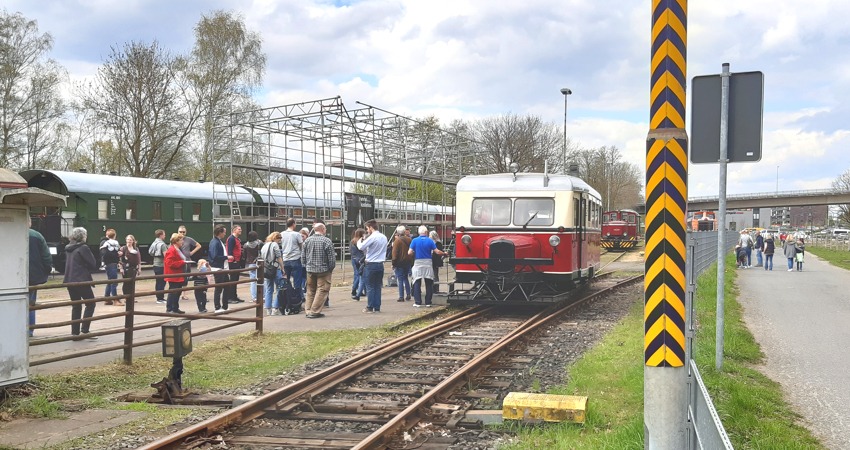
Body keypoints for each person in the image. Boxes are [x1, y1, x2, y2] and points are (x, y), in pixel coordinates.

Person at [64, 227, 98, 339]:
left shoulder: (69, 248)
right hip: (81, 279)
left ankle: (75, 332)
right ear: (83, 236)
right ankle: (85, 329)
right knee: (91, 303)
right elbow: (93, 263)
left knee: (76, 305)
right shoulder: (83, 248)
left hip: (69, 279)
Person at [301, 222, 335, 318]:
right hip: (323, 270)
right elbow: (331, 259)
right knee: (322, 290)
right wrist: (330, 269)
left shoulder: (307, 241)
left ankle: (308, 310)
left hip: (310, 269)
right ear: (323, 229)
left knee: (310, 290)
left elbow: (303, 256)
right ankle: (315, 311)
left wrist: (305, 266)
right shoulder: (327, 241)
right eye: (325, 229)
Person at [409, 225, 448, 307]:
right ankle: (428, 302)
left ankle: (418, 302)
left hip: (418, 263)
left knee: (417, 282)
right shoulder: (430, 241)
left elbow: (409, 252)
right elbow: (437, 252)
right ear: (426, 232)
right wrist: (444, 253)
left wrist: (414, 252)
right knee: (429, 282)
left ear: (419, 232)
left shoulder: (414, 240)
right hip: (428, 263)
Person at [28, 218, 52, 337]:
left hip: (12, 276)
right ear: (30, 223)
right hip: (33, 275)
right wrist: (47, 270)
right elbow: (46, 256)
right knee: (31, 304)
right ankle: (30, 330)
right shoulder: (37, 235)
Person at [357, 219, 388, 313]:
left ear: (371, 227)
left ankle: (370, 307)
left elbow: (361, 247)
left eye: (367, 228)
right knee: (378, 286)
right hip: (380, 264)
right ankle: (377, 307)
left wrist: (360, 240)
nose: (367, 230)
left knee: (370, 286)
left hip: (371, 264)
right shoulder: (384, 237)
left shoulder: (372, 237)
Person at [208, 225, 232, 313]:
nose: (225, 234)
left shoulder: (217, 241)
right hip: (218, 268)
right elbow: (215, 256)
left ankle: (225, 306)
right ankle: (217, 307)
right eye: (224, 232)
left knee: (226, 286)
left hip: (222, 268)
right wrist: (226, 257)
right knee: (219, 288)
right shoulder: (215, 242)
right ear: (220, 232)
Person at [260, 232, 285, 316]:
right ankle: (275, 307)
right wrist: (282, 268)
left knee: (269, 288)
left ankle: (268, 308)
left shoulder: (265, 245)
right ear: (275, 238)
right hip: (275, 268)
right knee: (279, 288)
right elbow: (279, 257)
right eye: (279, 238)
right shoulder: (275, 245)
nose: (280, 240)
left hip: (267, 269)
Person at [281, 219, 305, 302]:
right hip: (295, 259)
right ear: (293, 224)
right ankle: (298, 300)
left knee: (286, 281)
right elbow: (302, 247)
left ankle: (287, 298)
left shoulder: (282, 234)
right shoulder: (297, 234)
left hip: (285, 259)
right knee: (297, 281)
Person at [163, 232, 186, 314]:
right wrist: (182, 262)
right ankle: (169, 309)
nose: (182, 242)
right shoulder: (171, 250)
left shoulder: (177, 249)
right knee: (173, 292)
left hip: (178, 274)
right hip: (173, 274)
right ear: (176, 241)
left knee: (177, 292)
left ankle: (175, 308)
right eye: (181, 240)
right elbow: (170, 263)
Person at [178, 225, 201, 301]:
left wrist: (191, 253)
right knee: (178, 278)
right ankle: (177, 293)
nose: (182, 233)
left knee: (186, 278)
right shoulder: (175, 239)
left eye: (183, 232)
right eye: (180, 232)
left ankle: (184, 294)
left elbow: (198, 245)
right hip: (178, 261)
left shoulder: (189, 239)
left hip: (187, 261)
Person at [391, 225, 413, 302]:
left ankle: (401, 296)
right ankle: (408, 294)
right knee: (406, 278)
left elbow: (394, 253)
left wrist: (393, 263)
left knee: (400, 280)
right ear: (404, 232)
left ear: (397, 232)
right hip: (407, 262)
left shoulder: (397, 241)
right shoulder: (409, 239)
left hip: (399, 262)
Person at [118, 234, 141, 304]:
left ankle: (132, 297)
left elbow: (139, 259)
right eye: (128, 240)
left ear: (133, 241)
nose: (129, 241)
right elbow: (120, 260)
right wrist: (121, 268)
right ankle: (126, 297)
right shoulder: (123, 248)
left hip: (133, 268)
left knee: (132, 283)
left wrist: (139, 268)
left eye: (130, 240)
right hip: (125, 268)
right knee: (126, 283)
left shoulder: (136, 249)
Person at [99, 229, 120, 304]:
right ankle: (115, 299)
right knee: (114, 281)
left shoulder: (103, 243)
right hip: (111, 263)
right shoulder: (110, 243)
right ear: (114, 235)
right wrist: (117, 254)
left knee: (110, 281)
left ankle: (107, 298)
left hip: (108, 264)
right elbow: (108, 254)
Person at [242, 230, 262, 302]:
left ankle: (254, 297)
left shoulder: (246, 245)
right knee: (261, 280)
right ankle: (263, 296)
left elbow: (244, 255)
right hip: (259, 263)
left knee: (252, 281)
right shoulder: (259, 243)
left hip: (250, 264)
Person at [149, 229, 168, 304]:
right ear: (161, 235)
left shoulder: (154, 243)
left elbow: (150, 252)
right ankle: (160, 298)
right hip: (161, 265)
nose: (165, 235)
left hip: (155, 264)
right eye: (164, 234)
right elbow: (166, 255)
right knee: (162, 282)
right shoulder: (162, 244)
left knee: (158, 281)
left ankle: (159, 297)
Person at [226, 225, 244, 303]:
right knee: (233, 280)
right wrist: (233, 260)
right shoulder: (231, 239)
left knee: (236, 280)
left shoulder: (237, 239)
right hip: (233, 262)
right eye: (239, 229)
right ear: (234, 230)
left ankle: (234, 296)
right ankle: (230, 297)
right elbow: (230, 250)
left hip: (237, 261)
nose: (241, 230)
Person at [349, 228, 367, 301]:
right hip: (361, 259)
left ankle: (354, 289)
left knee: (356, 274)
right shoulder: (361, 241)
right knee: (362, 275)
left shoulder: (352, 241)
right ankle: (360, 290)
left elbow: (350, 250)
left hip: (353, 259)